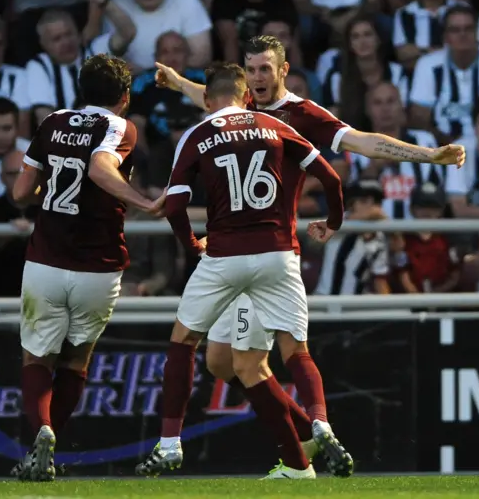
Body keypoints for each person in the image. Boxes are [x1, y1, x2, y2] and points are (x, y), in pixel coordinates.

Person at [138, 35, 465, 478]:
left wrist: (427, 155)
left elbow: (362, 142)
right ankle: (314, 433)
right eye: (250, 69)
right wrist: (177, 81)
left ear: (283, 70)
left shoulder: (300, 115)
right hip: (249, 252)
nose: (257, 78)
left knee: (246, 364)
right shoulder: (239, 110)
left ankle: (299, 457)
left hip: (262, 249)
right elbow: (210, 95)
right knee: (220, 362)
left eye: (265, 69)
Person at [139, 62, 345, 479]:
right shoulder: (273, 125)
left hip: (226, 256)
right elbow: (330, 178)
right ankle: (318, 424)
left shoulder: (198, 135)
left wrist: (192, 245)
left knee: (185, 343)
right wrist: (333, 222)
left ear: (208, 100)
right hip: (276, 254)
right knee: (273, 353)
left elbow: (175, 204)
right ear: (245, 94)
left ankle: (169, 443)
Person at [10, 54, 166, 482]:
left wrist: (50, 185)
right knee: (76, 360)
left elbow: (22, 191)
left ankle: (40, 434)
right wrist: (144, 201)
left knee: (36, 355)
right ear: (125, 96)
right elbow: (100, 168)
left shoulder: (53, 122)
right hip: (99, 265)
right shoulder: (121, 127)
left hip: (45, 258)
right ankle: (49, 441)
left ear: (82, 90)